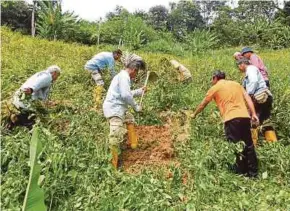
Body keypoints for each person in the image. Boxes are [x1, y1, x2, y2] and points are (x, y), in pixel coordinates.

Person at [191, 70, 259, 178]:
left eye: (212, 79)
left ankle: (240, 174)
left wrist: (194, 114)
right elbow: (248, 98)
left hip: (231, 119)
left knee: (234, 146)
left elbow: (203, 104)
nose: (212, 81)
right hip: (245, 117)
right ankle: (253, 174)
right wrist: (254, 114)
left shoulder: (215, 88)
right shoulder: (236, 84)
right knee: (249, 145)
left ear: (215, 78)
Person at [103, 59, 146, 169]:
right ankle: (113, 165)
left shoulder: (123, 76)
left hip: (120, 108)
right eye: (137, 73)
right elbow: (126, 96)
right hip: (114, 109)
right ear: (134, 70)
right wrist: (136, 106)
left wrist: (139, 91)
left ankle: (133, 146)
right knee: (115, 136)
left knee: (129, 118)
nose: (136, 76)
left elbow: (125, 93)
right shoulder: (124, 77)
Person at [3, 65, 61, 130]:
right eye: (57, 76)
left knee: (17, 119)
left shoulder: (41, 74)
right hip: (26, 103)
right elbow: (38, 83)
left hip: (19, 101)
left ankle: (6, 130)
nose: (56, 78)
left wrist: (46, 100)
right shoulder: (47, 77)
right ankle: (33, 137)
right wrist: (31, 89)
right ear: (55, 73)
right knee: (31, 124)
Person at [237, 58, 277, 143]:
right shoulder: (251, 70)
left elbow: (253, 81)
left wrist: (249, 94)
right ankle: (272, 142)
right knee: (265, 119)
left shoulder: (251, 69)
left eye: (239, 66)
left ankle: (253, 144)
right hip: (264, 97)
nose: (239, 69)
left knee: (254, 119)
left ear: (242, 64)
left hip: (260, 97)